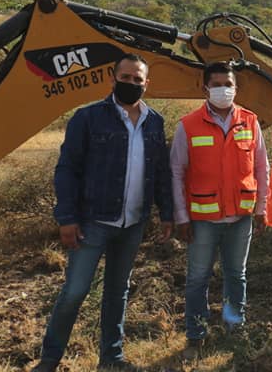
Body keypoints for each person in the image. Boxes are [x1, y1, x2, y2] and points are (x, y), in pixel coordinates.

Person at [33, 54, 173, 372]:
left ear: (146, 84)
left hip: (133, 222)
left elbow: (162, 171)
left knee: (117, 292)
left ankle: (111, 358)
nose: (131, 84)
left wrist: (166, 212)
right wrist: (66, 218)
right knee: (75, 291)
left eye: (138, 79)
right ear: (113, 79)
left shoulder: (155, 122)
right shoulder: (88, 118)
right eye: (125, 77)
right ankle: (50, 359)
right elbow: (67, 170)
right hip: (92, 222)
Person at [171, 62, 270, 360]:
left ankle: (234, 329)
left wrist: (262, 207)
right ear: (204, 88)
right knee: (198, 278)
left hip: (240, 218)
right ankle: (195, 336)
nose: (222, 89)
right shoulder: (187, 125)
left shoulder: (250, 122)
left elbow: (262, 167)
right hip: (202, 221)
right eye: (215, 84)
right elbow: (176, 171)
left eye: (227, 83)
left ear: (236, 87)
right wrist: (181, 217)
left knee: (236, 275)